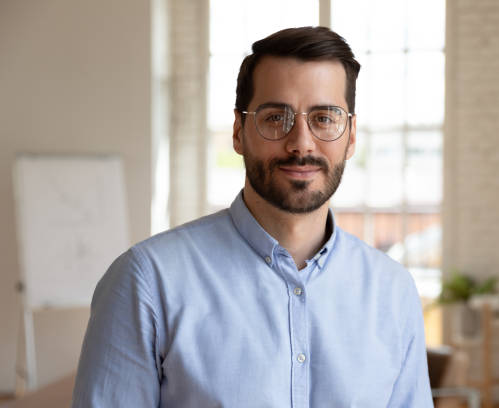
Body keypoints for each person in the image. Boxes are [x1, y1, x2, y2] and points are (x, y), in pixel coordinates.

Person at [72, 26, 433, 407]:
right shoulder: (147, 282)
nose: (301, 143)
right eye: (276, 117)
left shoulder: (393, 292)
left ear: (351, 136)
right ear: (239, 131)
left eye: (324, 118)